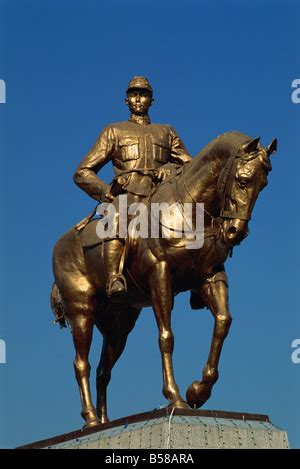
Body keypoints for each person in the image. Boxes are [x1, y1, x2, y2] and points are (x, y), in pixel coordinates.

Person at [74, 76, 192, 297]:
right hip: (128, 195)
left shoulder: (167, 131)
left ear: (152, 101)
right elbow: (82, 172)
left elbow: (191, 166)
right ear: (126, 100)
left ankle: (197, 278)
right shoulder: (113, 131)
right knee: (116, 216)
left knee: (194, 218)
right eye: (134, 94)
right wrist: (106, 192)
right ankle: (114, 278)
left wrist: (171, 168)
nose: (138, 99)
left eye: (143, 95)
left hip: (160, 194)